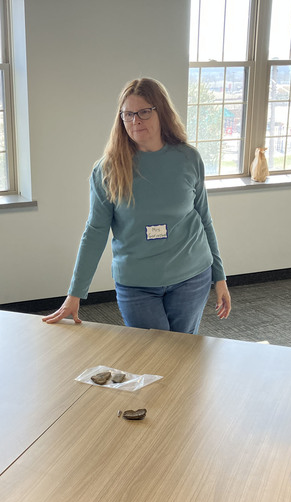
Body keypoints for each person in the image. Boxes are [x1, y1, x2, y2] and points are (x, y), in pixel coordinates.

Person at [43, 77, 231, 332]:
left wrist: (219, 278)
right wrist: (75, 294)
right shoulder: (108, 169)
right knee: (151, 357)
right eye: (128, 114)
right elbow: (95, 232)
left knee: (183, 355)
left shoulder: (188, 159)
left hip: (191, 275)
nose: (135, 121)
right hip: (137, 283)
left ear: (161, 112)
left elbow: (204, 219)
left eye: (144, 112)